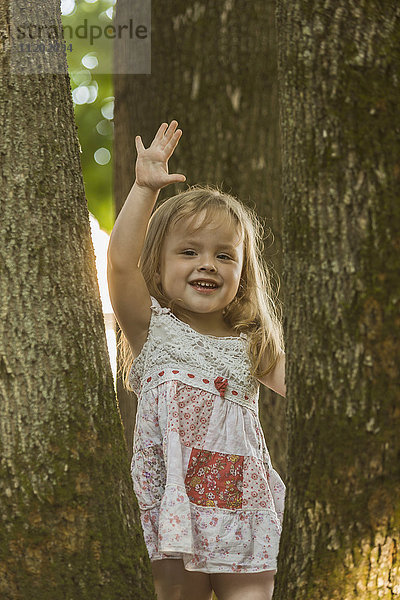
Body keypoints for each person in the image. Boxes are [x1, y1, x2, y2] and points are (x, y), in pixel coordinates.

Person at [107, 120, 286, 600]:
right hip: (174, 506)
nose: (207, 263)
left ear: (242, 272)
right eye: (188, 252)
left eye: (225, 256)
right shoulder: (153, 329)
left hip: (244, 510)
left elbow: (318, 392)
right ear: (159, 266)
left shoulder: (253, 343)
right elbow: (120, 263)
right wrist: (145, 188)